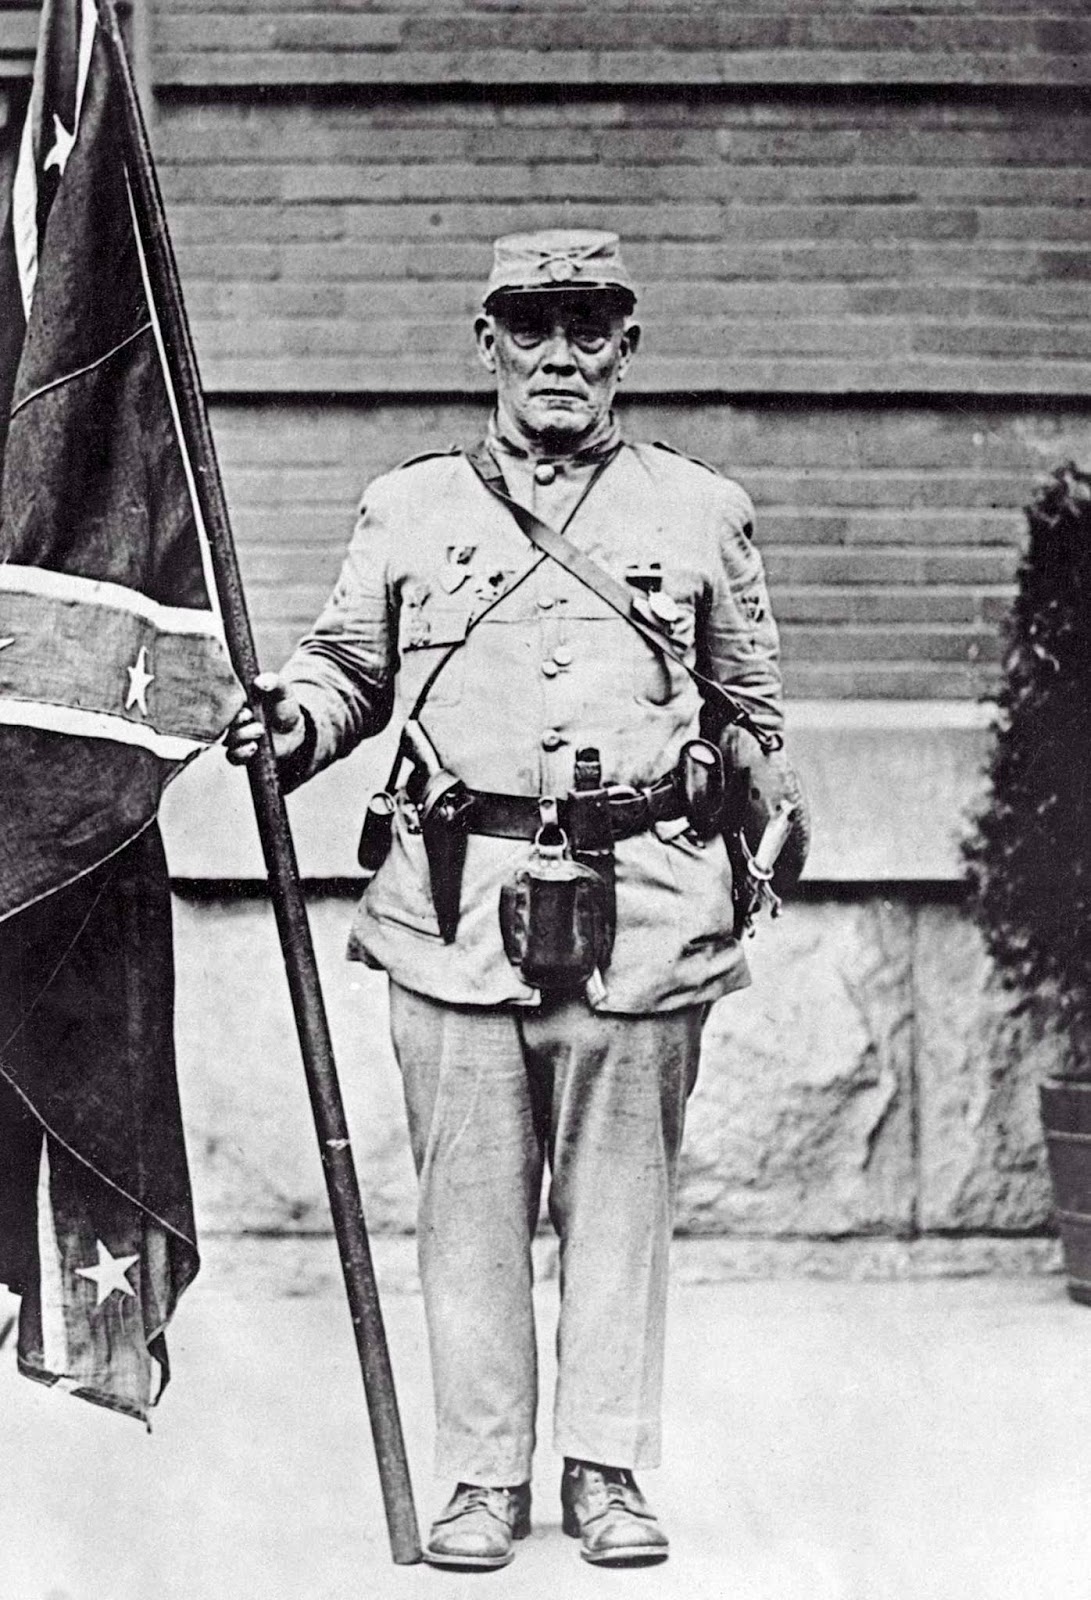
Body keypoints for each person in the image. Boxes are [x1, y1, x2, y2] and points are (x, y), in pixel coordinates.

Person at [226, 228, 786, 1571]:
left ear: (626, 348)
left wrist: (760, 804)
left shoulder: (701, 512)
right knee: (469, 1211)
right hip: (455, 906)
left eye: (587, 327)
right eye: (530, 325)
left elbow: (757, 710)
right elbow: (343, 672)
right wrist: (289, 727)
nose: (558, 356)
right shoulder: (410, 509)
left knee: (620, 1206)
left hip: (645, 913)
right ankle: (482, 1478)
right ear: (486, 341)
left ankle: (605, 1471)